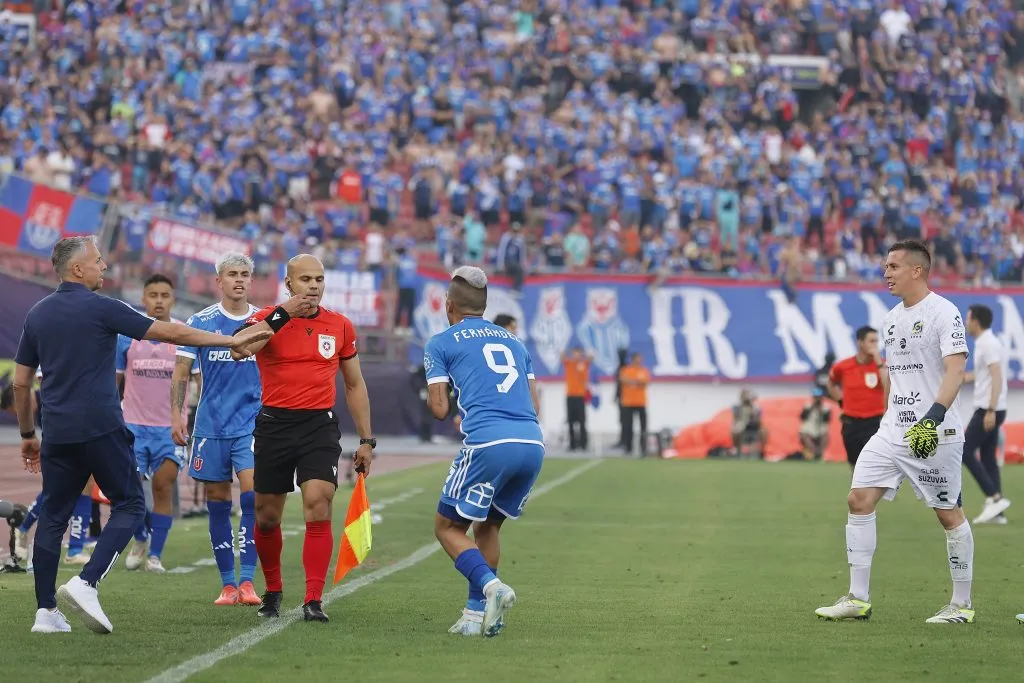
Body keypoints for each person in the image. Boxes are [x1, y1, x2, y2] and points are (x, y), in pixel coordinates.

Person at [12, 236, 268, 635]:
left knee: (54, 515)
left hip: (57, 432)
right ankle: (86, 582)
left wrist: (28, 433)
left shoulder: (38, 314)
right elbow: (172, 334)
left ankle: (45, 612)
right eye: (98, 261)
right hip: (101, 428)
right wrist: (229, 339)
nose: (104, 267)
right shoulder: (104, 309)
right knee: (131, 506)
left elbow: (22, 383)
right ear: (77, 269)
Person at [815, 239, 973, 625]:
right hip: (892, 431)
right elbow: (895, 377)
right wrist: (889, 414)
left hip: (934, 432)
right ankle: (858, 597)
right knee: (857, 500)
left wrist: (932, 418)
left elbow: (956, 372)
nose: (886, 273)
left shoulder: (944, 312)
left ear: (917, 271)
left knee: (948, 515)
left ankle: (961, 605)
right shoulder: (889, 319)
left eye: (894, 267)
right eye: (886, 266)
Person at [231, 254, 375, 623]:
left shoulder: (339, 325)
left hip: (318, 426)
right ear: (289, 283)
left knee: (319, 500)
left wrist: (366, 440)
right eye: (306, 279)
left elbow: (355, 383)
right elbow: (240, 346)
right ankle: (274, 590)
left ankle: (313, 598)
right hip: (274, 425)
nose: (313, 285)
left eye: (319, 279)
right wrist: (284, 314)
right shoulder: (267, 319)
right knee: (266, 517)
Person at [423, 266, 544, 638]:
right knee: (488, 525)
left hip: (489, 443)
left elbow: (440, 409)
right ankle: (477, 617)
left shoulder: (442, 342)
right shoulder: (514, 342)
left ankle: (493, 588)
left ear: (449, 305)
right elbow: (534, 402)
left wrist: (457, 399)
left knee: (447, 527)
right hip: (532, 443)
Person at [171, 253, 264, 606]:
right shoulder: (201, 322)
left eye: (244, 274)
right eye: (232, 274)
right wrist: (176, 416)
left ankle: (248, 581)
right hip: (211, 425)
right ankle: (227, 584)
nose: (239, 280)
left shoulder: (261, 322)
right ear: (219, 281)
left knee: (253, 495)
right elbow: (181, 373)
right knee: (217, 501)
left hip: (251, 425)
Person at [116, 274, 185, 573]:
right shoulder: (127, 335)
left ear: (173, 299)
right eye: (153, 294)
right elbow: (116, 381)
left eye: (164, 295)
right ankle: (141, 536)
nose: (158, 300)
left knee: (161, 486)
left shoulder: (184, 334)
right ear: (143, 299)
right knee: (129, 491)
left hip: (170, 430)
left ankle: (155, 555)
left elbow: (195, 381)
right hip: (133, 426)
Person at [961, 304, 1011, 524]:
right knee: (989, 458)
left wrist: (990, 409)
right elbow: (985, 375)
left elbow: (997, 377)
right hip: (992, 408)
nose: (965, 322)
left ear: (976, 321)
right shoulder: (985, 342)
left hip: (988, 409)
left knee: (966, 451)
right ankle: (997, 512)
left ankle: (994, 496)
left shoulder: (987, 344)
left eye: (967, 318)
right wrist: (963, 378)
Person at [827, 326, 887, 470]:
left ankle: (876, 491)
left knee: (875, 464)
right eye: (871, 341)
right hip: (851, 422)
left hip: (875, 421)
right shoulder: (843, 366)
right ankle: (858, 492)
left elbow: (888, 386)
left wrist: (878, 362)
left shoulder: (881, 365)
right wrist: (841, 401)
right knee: (855, 465)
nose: (875, 345)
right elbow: (831, 382)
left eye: (876, 341)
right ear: (860, 342)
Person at [453, 314, 518, 434]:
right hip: (501, 413)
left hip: (492, 415)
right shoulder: (518, 350)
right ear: (502, 327)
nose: (515, 331)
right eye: (512, 327)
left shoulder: (477, 347)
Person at [619, 353, 651, 456]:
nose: (639, 361)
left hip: (641, 402)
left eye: (640, 359)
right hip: (628, 402)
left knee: (643, 427)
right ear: (633, 359)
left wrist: (632, 382)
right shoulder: (626, 370)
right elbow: (623, 379)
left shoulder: (644, 370)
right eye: (637, 359)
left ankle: (643, 448)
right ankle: (628, 447)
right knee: (628, 426)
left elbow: (645, 382)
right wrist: (637, 382)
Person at [561, 347, 590, 451]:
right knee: (571, 421)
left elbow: (591, 358)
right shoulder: (569, 363)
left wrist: (588, 351)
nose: (576, 355)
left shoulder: (584, 364)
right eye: (574, 353)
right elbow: (561, 357)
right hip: (570, 396)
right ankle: (572, 444)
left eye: (578, 353)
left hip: (580, 396)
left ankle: (583, 444)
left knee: (582, 421)